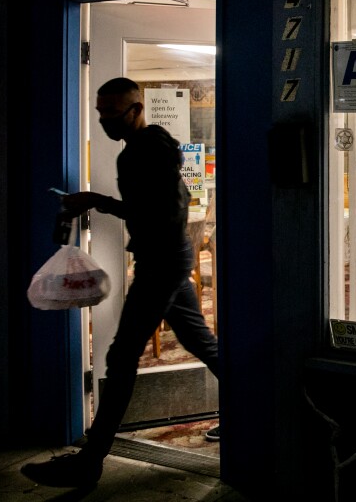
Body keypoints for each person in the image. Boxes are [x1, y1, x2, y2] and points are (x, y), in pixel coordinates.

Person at [22, 77, 220, 488]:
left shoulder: (148, 151)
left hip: (162, 263)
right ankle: (263, 412)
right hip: (165, 259)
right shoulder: (144, 149)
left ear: (136, 109)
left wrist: (97, 201)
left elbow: (161, 212)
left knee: (120, 356)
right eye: (100, 113)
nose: (105, 120)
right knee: (201, 343)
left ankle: (90, 461)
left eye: (112, 113)